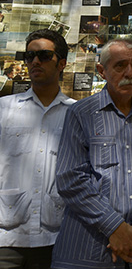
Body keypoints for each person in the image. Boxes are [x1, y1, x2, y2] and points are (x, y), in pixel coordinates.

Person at [52, 39, 132, 269]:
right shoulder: (81, 113)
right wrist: (114, 227)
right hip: (86, 249)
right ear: (101, 71)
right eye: (120, 66)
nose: (129, 73)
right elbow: (70, 178)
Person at [0, 29, 75, 268]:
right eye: (29, 55)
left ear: (61, 63)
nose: (34, 61)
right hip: (7, 238)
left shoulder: (76, 114)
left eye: (43, 55)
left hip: (58, 238)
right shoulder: (4, 109)